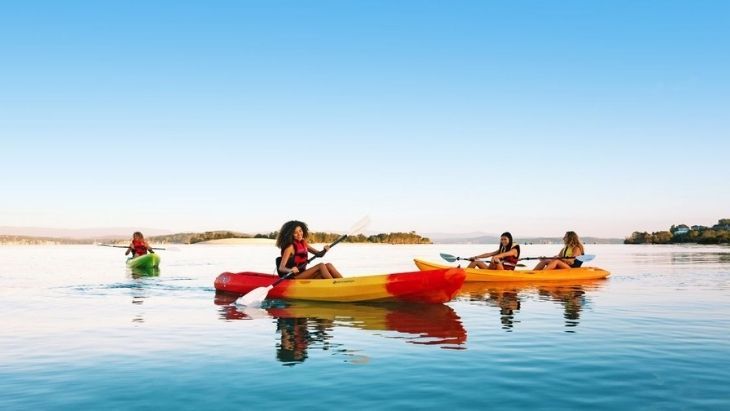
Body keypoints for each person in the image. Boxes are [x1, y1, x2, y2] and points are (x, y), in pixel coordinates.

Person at [275, 220, 343, 279]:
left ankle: (343, 282)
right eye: (295, 233)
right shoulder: (290, 247)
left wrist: (325, 250)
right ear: (291, 234)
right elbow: (281, 268)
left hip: (303, 273)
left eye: (300, 230)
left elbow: (319, 254)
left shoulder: (303, 243)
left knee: (328, 265)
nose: (299, 234)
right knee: (321, 265)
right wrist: (290, 270)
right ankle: (334, 285)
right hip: (294, 276)